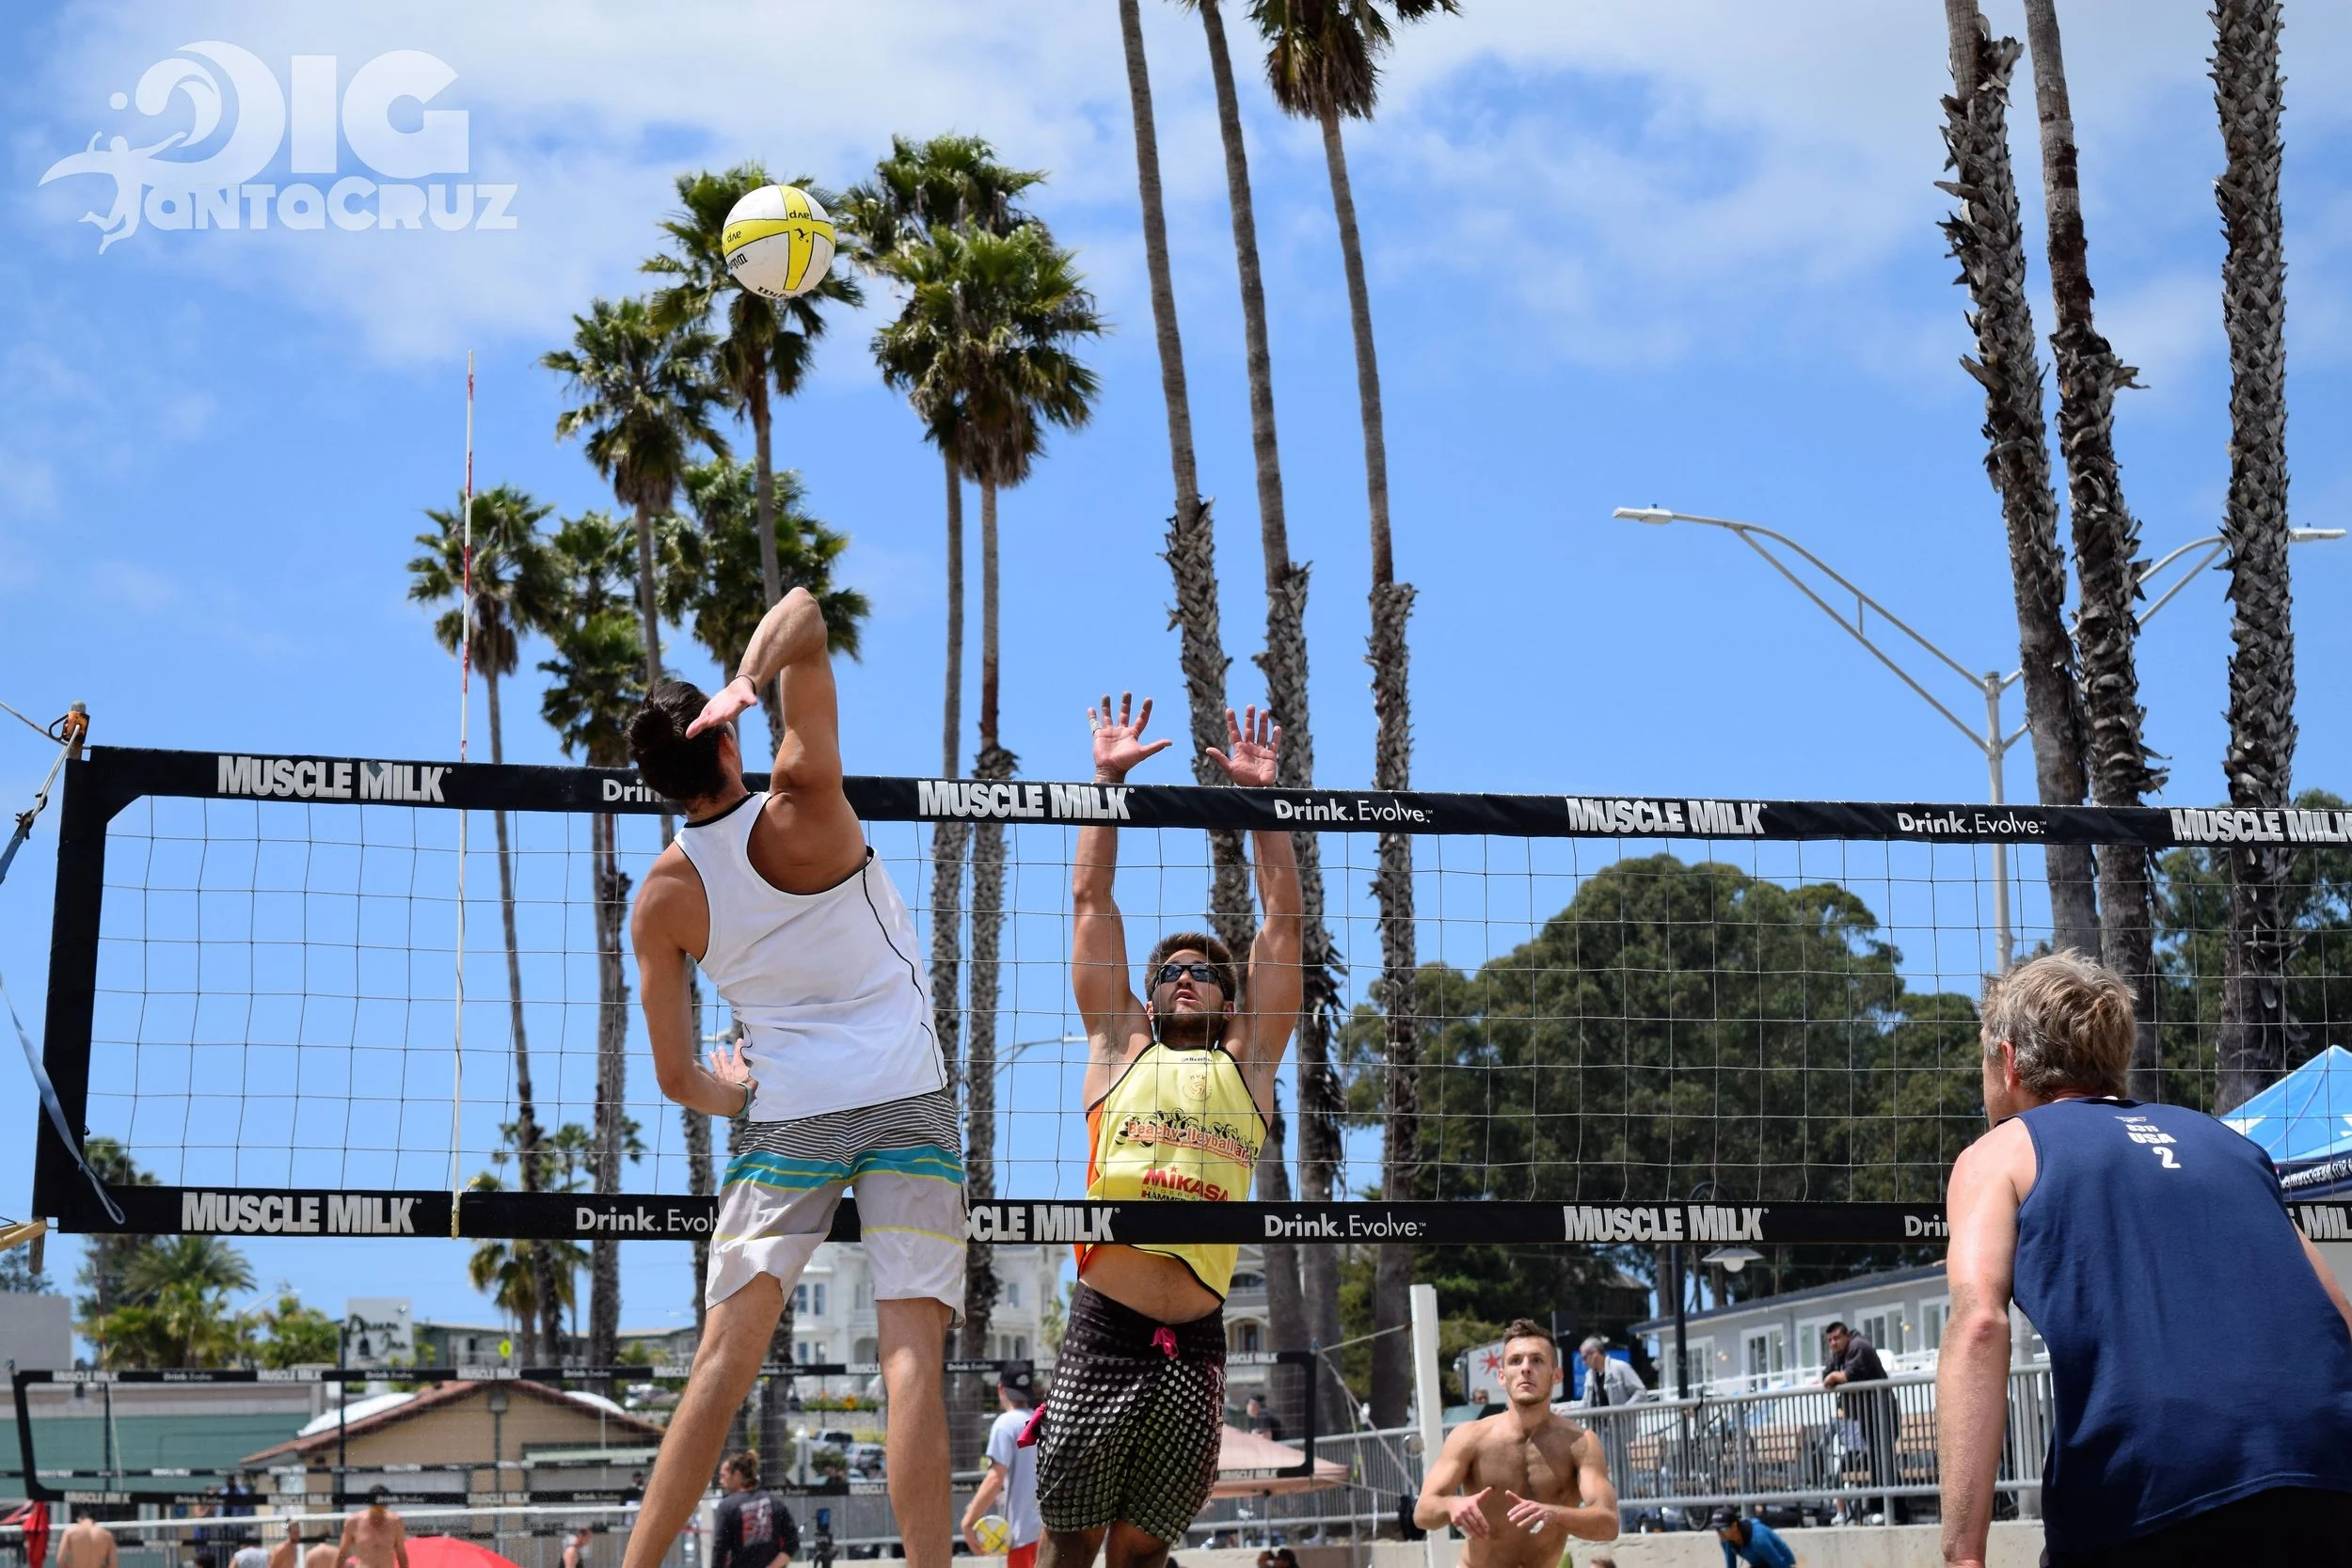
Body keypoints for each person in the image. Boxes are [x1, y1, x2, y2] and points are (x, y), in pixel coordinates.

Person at [624, 587, 961, 1568]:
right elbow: (805, 611)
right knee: (910, 1360)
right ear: (728, 741)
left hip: (790, 1116)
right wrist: (746, 677)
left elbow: (678, 1078)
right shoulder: (808, 796)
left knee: (719, 1370)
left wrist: (739, 1091)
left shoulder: (663, 896)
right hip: (908, 1092)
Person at [1938, 951, 2352, 1568]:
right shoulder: (2231, 1145)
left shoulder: (2000, 1151)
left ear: (2009, 1060)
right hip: (2325, 1466)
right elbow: (2338, 1315)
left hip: (2153, 1482)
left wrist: (1963, 1553)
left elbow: (1979, 1325)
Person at [1035, 695, 1302, 1568]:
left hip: (1197, 1340)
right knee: (1071, 1540)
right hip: (1104, 1325)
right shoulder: (1119, 1046)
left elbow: (1282, 926)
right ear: (1149, 998)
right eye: (1171, 970)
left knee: (1142, 1555)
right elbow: (1090, 897)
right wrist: (1105, 782)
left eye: (1205, 971)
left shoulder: (1249, 1066)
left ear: (1229, 1000)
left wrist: (1261, 803)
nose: (1187, 976)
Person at [1413, 1320, 1618, 1565]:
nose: (1525, 1368)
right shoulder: (1470, 1437)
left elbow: (1608, 1524)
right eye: (1515, 1361)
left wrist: (1554, 1514)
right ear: (1501, 1376)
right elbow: (1422, 1512)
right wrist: (1451, 1505)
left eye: (1537, 1360)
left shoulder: (1580, 1443)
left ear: (1556, 1375)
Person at [962, 1363, 1042, 1568]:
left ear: (1001, 1389)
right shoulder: (1043, 1421)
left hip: (1025, 1534)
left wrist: (969, 1520)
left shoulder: (1005, 1424)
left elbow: (995, 1478)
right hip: (1052, 1533)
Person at [1820, 1321, 1898, 1523]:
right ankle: (1887, 1509)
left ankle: (1888, 1510)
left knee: (1883, 1461)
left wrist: (1837, 1376)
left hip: (1882, 1412)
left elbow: (1848, 1375)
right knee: (1877, 1460)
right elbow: (1826, 1376)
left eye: (1837, 1338)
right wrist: (1834, 1375)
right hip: (1867, 1414)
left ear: (1847, 1335)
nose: (1833, 1343)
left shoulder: (1858, 1346)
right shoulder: (1840, 1353)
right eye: (1830, 1340)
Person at [711, 1449, 797, 1568]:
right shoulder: (775, 1502)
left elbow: (719, 1550)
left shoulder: (727, 1506)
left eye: (723, 1476)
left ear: (737, 1475)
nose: (721, 1481)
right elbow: (792, 1543)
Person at [338, 1487, 407, 1568]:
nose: (378, 1513)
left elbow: (401, 1553)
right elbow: (342, 1552)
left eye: (381, 1509)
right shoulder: (354, 1522)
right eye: (376, 1509)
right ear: (370, 1505)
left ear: (386, 1505)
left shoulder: (395, 1522)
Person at [1708, 1508, 1794, 1568]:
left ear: (1734, 1526)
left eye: (1723, 1528)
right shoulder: (1726, 1539)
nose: (1720, 1533)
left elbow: (1780, 1564)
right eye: (1717, 1529)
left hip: (1784, 1564)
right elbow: (1731, 1565)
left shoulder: (1758, 1539)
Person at [1573, 1339, 1645, 1410]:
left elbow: (1640, 1392)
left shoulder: (1620, 1368)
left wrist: (1625, 1410)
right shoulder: (1589, 1375)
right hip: (1597, 1418)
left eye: (1584, 1357)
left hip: (1620, 1418)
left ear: (1595, 1353)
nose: (1584, 1362)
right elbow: (1586, 1403)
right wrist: (1569, 1408)